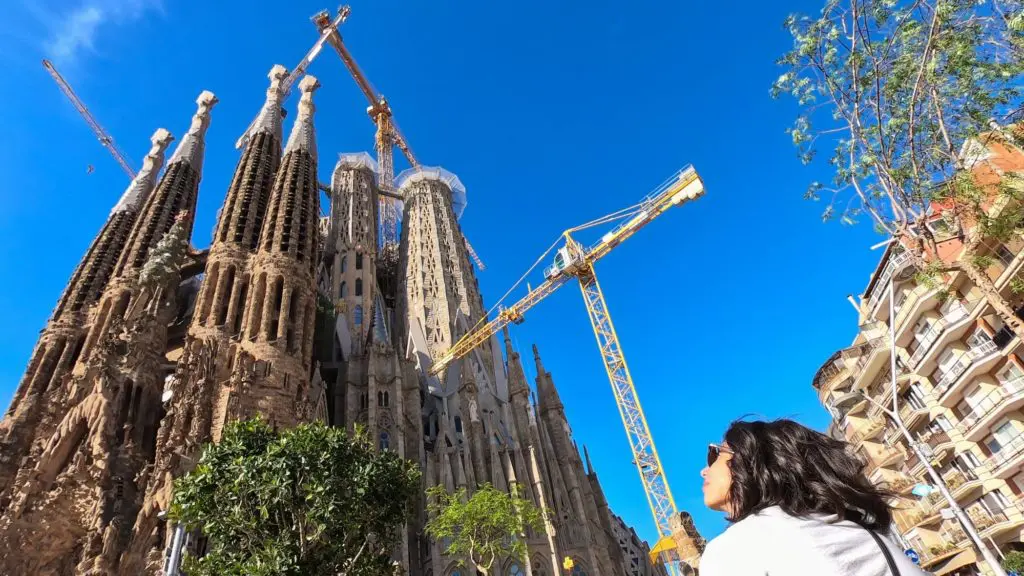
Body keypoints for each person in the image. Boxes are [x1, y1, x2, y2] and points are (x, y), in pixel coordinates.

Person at [699, 419, 930, 576]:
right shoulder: (863, 535)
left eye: (714, 455)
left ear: (750, 462)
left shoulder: (737, 548)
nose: (704, 470)